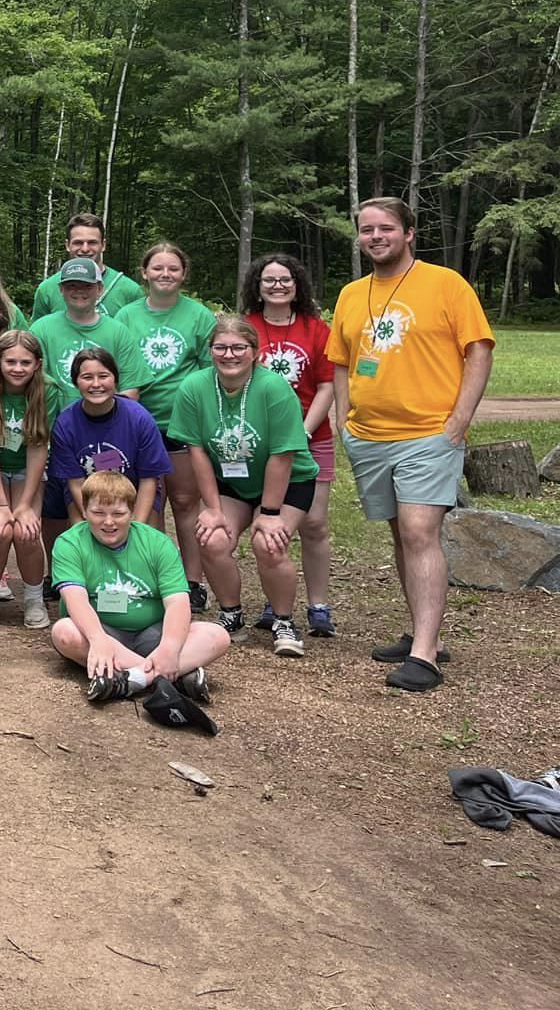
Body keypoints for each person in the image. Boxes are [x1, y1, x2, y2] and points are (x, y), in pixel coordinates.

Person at [328, 196, 494, 692]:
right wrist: (344, 420)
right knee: (401, 534)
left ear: (409, 233)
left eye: (385, 228)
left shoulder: (445, 284)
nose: (375, 236)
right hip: (370, 435)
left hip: (428, 432)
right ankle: (426, 633)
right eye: (366, 230)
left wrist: (459, 419)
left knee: (420, 530)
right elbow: (340, 361)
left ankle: (425, 656)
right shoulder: (352, 294)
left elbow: (478, 349)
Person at [172, 315, 317, 656]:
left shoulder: (274, 388)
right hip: (232, 481)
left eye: (239, 347)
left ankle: (283, 620)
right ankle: (231, 613)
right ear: (210, 352)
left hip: (288, 481)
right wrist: (213, 509)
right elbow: (198, 454)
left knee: (268, 542)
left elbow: (283, 456)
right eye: (221, 347)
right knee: (211, 537)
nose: (229, 354)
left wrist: (268, 513)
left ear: (255, 353)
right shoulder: (194, 387)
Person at [51, 471, 231, 713]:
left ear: (133, 512)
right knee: (64, 632)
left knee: (217, 635)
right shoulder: (69, 543)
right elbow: (76, 600)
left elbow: (177, 602)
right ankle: (173, 677)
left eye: (118, 514)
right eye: (98, 513)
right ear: (84, 510)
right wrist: (98, 639)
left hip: (153, 634)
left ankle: (131, 679)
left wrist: (169, 647)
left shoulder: (158, 543)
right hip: (101, 631)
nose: (108, 522)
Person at [243, 251, 337, 636]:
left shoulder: (316, 329)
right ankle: (275, 601)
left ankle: (319, 605)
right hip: (262, 444)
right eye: (269, 280)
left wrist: (300, 433)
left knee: (313, 523)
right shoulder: (246, 327)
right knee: (273, 525)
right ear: (258, 286)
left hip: (313, 437)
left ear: (297, 285)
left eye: (285, 279)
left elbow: (328, 385)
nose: (277, 286)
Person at [121, 241, 216, 598]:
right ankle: (158, 578)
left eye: (173, 268)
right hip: (139, 423)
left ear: (183, 274)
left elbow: (211, 371)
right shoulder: (127, 316)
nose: (165, 274)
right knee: (150, 501)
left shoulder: (199, 316)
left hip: (183, 423)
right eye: (157, 268)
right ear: (144, 273)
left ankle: (193, 581)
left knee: (185, 501)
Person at [0, 329, 63, 626]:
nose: (17, 369)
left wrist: (23, 505)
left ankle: (34, 598)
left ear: (37, 363)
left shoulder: (47, 390)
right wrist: (0, 504)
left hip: (28, 466)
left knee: (25, 529)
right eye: (10, 361)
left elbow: (38, 448)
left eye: (25, 362)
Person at [49, 349, 173, 563]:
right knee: (84, 538)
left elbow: (149, 480)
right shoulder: (65, 423)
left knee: (142, 543)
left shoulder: (139, 419)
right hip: (86, 498)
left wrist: (134, 527)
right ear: (75, 382)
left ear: (115, 379)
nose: (96, 384)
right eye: (87, 377)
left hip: (133, 495)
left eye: (103, 376)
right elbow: (75, 484)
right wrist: (94, 519)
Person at [30, 257, 144, 398]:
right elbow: (31, 381)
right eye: (72, 286)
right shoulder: (41, 329)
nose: (79, 291)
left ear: (100, 289)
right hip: (53, 417)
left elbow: (131, 388)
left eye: (87, 286)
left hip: (106, 417)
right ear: (61, 289)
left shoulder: (119, 332)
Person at [28, 212, 145, 321]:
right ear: (67, 245)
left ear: (103, 245)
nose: (85, 249)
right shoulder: (47, 290)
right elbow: (35, 340)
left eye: (92, 242)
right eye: (78, 242)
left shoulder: (130, 291)